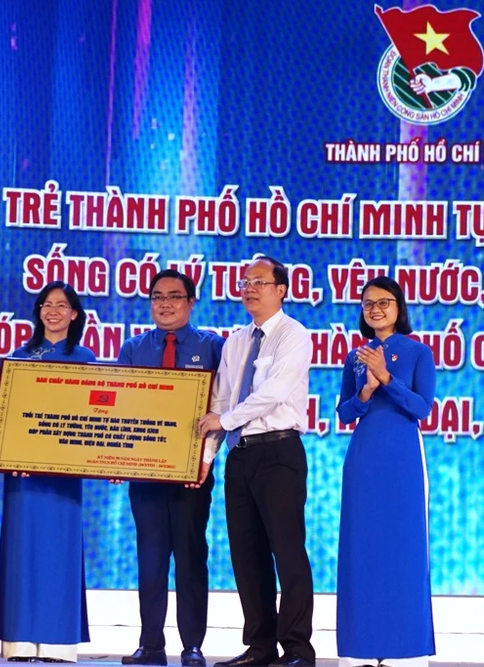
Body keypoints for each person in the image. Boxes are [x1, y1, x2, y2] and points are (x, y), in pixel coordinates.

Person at [198, 256, 315, 667]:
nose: (249, 288)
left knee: (287, 551)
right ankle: (260, 646)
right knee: (247, 556)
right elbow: (221, 401)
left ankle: (297, 648)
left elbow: (273, 392)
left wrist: (226, 420)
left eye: (259, 282)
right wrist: (206, 459)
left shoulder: (294, 335)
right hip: (240, 455)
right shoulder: (235, 341)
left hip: (279, 452)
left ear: (281, 289)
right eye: (245, 282)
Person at [117, 270, 225, 667]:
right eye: (157, 297)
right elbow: (120, 409)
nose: (165, 304)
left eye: (174, 296)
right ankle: (150, 644)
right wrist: (114, 456)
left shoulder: (213, 346)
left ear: (191, 302)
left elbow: (221, 408)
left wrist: (204, 461)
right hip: (144, 474)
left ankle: (192, 645)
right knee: (150, 558)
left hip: (192, 475)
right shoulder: (133, 349)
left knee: (191, 557)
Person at [335, 277, 436, 667]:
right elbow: (344, 412)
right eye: (368, 304)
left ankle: (404, 648)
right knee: (362, 549)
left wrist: (388, 378)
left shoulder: (418, 352)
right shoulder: (355, 356)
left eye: (383, 302)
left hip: (402, 458)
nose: (375, 309)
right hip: (364, 458)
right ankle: (362, 646)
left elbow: (422, 408)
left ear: (399, 307)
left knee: (403, 549)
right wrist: (364, 391)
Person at [0, 281, 96, 663]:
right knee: (22, 552)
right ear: (38, 312)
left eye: (62, 305)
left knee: (59, 553)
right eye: (46, 304)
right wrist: (10, 454)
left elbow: (95, 417)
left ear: (74, 314)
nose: (53, 311)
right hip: (23, 473)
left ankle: (58, 644)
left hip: (64, 475)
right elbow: (5, 417)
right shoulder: (19, 357)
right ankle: (19, 643)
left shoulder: (86, 358)